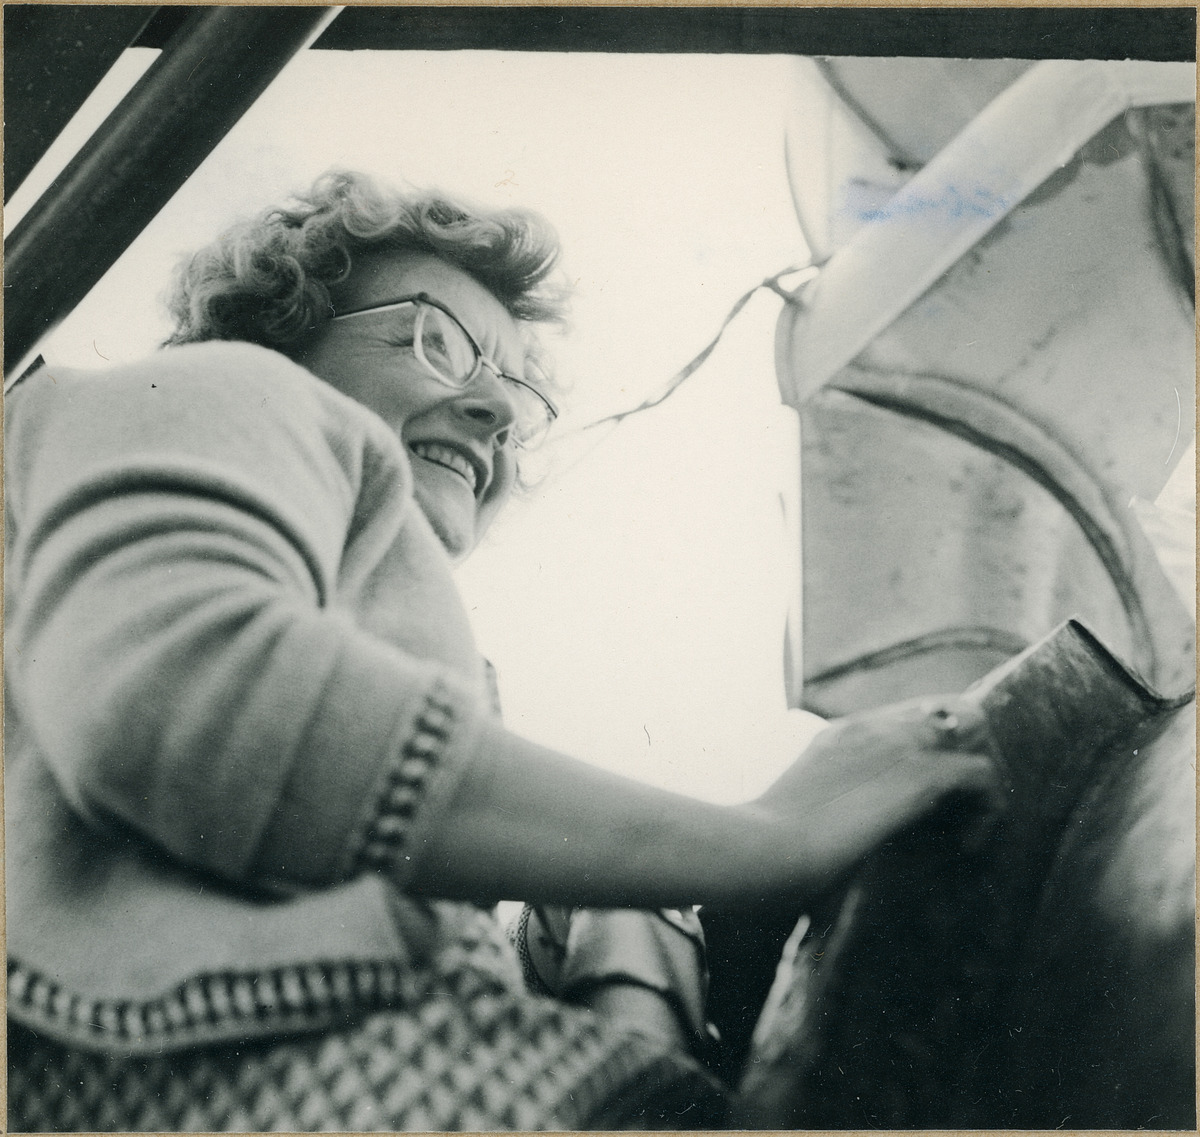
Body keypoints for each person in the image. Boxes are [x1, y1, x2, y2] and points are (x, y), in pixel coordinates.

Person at [5, 170, 1000, 1131]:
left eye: (517, 389)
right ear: (281, 334)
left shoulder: (393, 645)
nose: (497, 412)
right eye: (437, 342)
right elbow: (181, 707)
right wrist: (767, 837)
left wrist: (606, 953)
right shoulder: (225, 386)